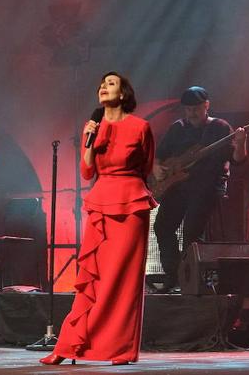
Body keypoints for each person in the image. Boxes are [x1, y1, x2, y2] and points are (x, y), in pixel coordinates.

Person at [40, 71, 156, 365]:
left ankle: (121, 349)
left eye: (111, 83)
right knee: (91, 277)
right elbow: (86, 171)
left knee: (124, 279)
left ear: (124, 93)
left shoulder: (141, 127)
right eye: (102, 84)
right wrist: (91, 140)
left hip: (131, 205)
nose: (104, 87)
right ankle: (69, 345)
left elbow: (146, 167)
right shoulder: (92, 127)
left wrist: (130, 187)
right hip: (101, 202)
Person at [152, 86, 246, 293]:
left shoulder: (220, 128)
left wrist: (241, 143)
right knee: (162, 226)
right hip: (179, 185)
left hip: (207, 186)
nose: (192, 113)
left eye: (196, 108)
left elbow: (237, 160)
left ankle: (191, 281)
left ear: (207, 106)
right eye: (188, 109)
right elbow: (159, 156)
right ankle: (173, 275)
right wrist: (157, 167)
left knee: (191, 233)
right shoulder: (178, 128)